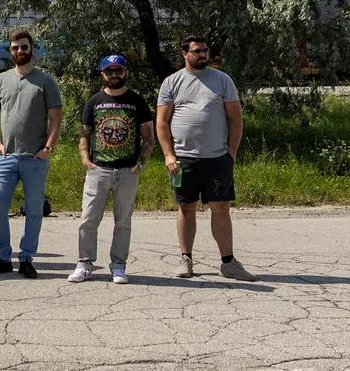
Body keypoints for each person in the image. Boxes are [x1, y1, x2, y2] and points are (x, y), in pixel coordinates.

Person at [157, 35, 256, 281]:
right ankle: (185, 260)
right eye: (197, 51)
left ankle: (228, 262)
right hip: (183, 160)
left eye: (205, 51)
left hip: (217, 158)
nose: (202, 55)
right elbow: (161, 122)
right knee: (186, 207)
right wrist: (169, 154)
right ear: (184, 54)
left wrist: (231, 153)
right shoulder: (172, 82)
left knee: (221, 207)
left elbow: (235, 119)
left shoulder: (223, 81)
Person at [67, 54, 154, 284]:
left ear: (126, 72)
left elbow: (149, 137)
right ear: (102, 74)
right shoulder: (94, 101)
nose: (114, 75)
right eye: (109, 71)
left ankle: (118, 266)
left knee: (123, 222)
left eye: (118, 70)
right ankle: (84, 263)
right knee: (88, 219)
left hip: (128, 171)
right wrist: (86, 160)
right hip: (99, 170)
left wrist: (141, 163)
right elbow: (85, 134)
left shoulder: (137, 101)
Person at [0, 28, 62, 278]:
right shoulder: (1, 80)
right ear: (10, 51)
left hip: (34, 159)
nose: (20, 51)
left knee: (34, 211)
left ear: (32, 49)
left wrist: (48, 147)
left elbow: (56, 118)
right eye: (15, 47)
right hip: (6, 158)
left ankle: (26, 258)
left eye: (24, 47)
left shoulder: (45, 81)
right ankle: (3, 258)